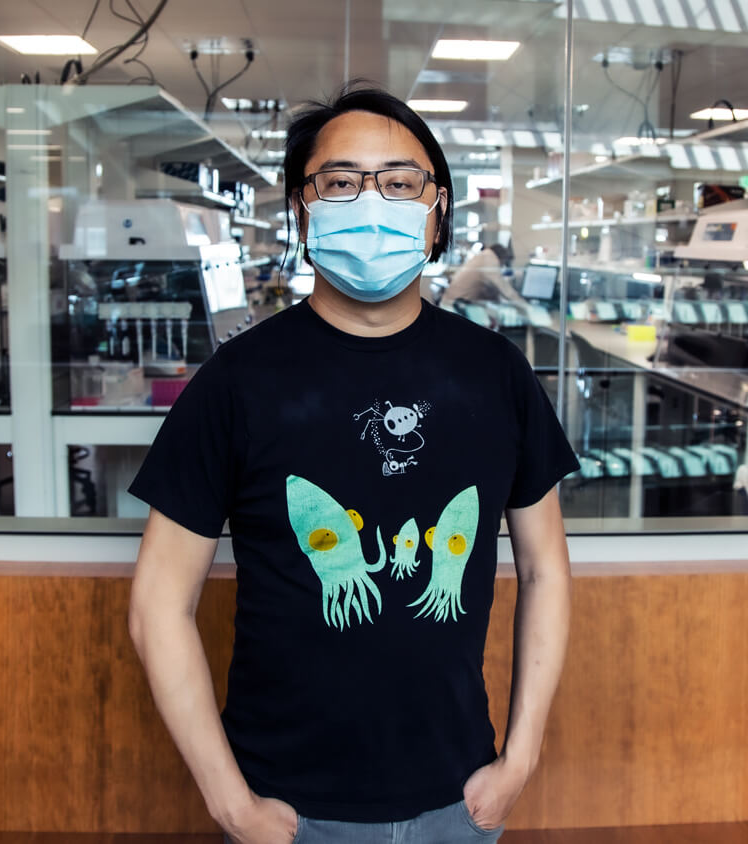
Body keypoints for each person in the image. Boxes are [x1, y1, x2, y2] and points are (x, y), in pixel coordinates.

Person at [127, 83, 578, 844]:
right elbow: (158, 604)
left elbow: (546, 570)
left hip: (459, 798)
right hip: (288, 807)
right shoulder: (237, 382)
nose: (372, 202)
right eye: (340, 182)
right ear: (303, 211)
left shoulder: (497, 375)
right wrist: (232, 802)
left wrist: (521, 757)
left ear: (437, 213)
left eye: (402, 183)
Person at [437, 242, 528, 310]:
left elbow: (490, 289)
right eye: (503, 262)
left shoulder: (484, 256)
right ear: (502, 257)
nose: (502, 266)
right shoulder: (490, 259)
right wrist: (526, 305)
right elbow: (503, 288)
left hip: (453, 303)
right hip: (454, 306)